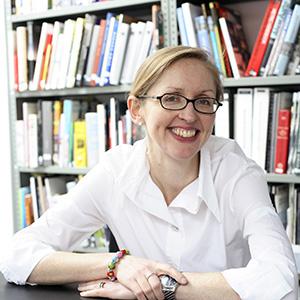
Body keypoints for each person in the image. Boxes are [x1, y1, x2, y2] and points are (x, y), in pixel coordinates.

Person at [0, 46, 297, 300]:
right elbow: (16, 255)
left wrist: (160, 286)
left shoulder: (237, 172)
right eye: (172, 98)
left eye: (204, 101)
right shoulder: (116, 171)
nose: (190, 115)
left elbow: (280, 279)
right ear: (136, 108)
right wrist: (118, 265)